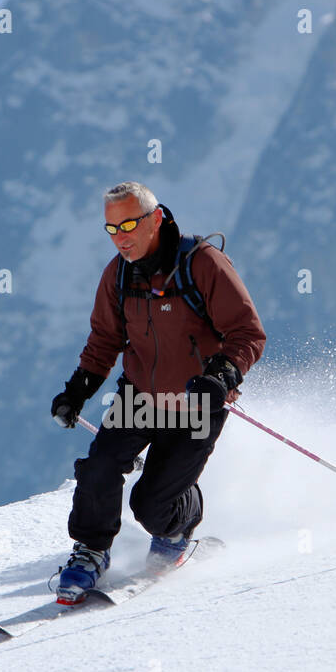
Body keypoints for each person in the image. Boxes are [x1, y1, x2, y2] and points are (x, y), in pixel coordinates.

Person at [50, 181, 266, 602]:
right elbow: (103, 342)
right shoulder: (118, 274)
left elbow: (247, 333)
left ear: (156, 219)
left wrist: (220, 375)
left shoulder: (202, 263)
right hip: (138, 397)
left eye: (130, 224)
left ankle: (183, 521)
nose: (121, 237)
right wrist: (78, 390)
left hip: (197, 401)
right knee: (100, 468)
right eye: (112, 228)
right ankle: (91, 551)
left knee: (152, 506)